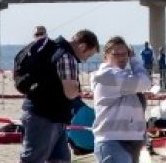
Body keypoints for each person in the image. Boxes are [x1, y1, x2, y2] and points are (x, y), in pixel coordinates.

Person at [19, 29, 99, 163]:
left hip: (49, 114)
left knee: (60, 158)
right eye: (88, 56)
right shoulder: (67, 57)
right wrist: (80, 91)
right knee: (34, 158)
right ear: (82, 46)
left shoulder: (54, 49)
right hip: (46, 116)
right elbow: (70, 92)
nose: (85, 60)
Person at [92, 35, 150, 163]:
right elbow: (145, 82)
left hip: (132, 140)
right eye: (116, 54)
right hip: (112, 140)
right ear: (106, 56)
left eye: (125, 53)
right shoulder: (106, 76)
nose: (121, 57)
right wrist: (134, 60)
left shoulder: (125, 76)